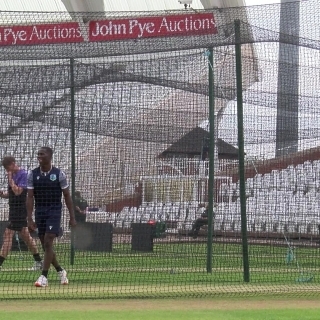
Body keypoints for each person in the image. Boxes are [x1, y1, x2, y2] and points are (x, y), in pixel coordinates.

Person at [26, 147, 76, 287]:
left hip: (54, 210)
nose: (39, 156)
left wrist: (72, 217)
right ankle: (60, 271)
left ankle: (43, 277)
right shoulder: (32, 174)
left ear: (50, 156)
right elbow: (30, 196)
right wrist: (29, 218)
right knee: (46, 245)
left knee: (48, 241)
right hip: (40, 211)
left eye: (42, 154)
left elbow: (67, 196)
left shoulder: (59, 174)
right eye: (38, 154)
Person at [0, 156, 43, 271]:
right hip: (13, 208)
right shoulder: (13, 175)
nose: (7, 170)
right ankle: (39, 261)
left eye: (7, 167)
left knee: (8, 234)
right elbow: (11, 193)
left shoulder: (23, 174)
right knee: (26, 236)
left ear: (13, 163)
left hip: (20, 209)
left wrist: (10, 179)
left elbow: (18, 192)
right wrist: (2, 194)